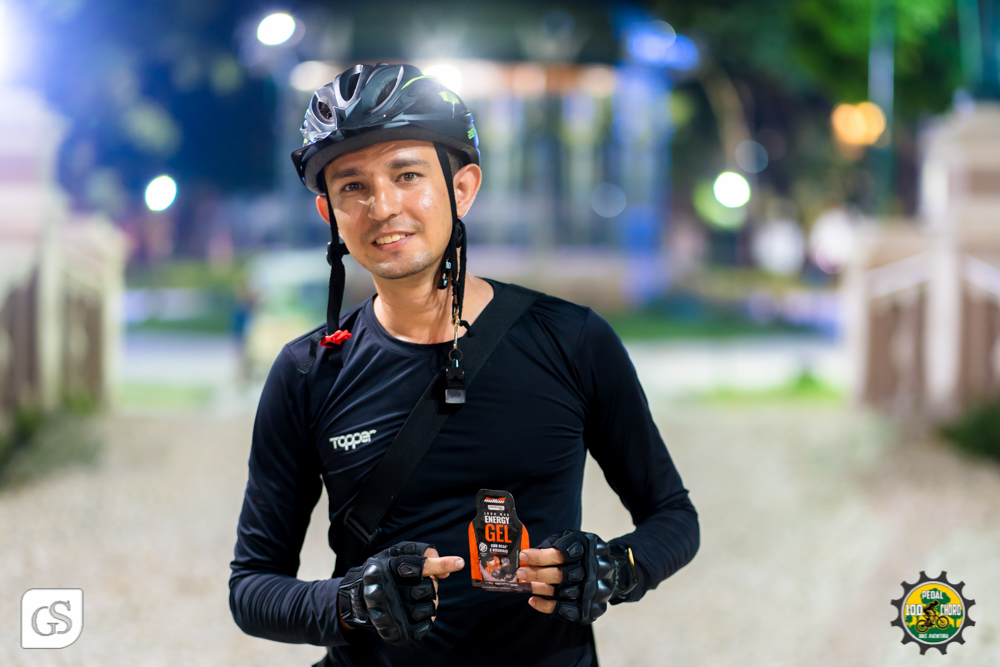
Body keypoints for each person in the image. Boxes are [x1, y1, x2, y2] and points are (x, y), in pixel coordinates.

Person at [229, 63, 699, 667]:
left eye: (407, 175)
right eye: (352, 186)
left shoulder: (572, 340)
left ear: (464, 187)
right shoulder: (307, 371)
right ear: (330, 215)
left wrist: (613, 568)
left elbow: (672, 517)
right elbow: (252, 588)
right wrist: (349, 602)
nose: (383, 206)